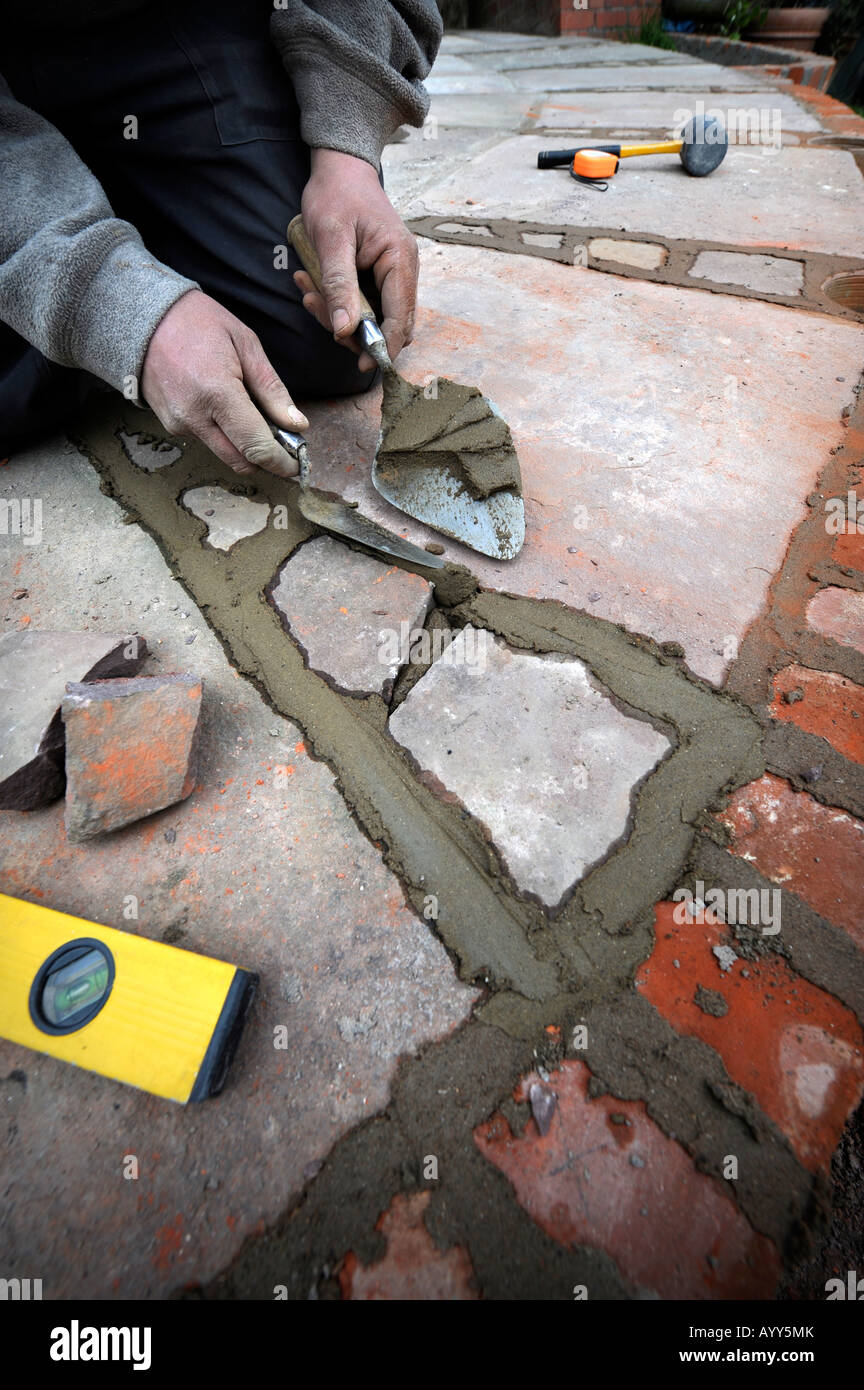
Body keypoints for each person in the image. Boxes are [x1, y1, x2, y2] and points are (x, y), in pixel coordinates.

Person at [0, 1, 443, 473]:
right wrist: (125, 311)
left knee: (326, 336)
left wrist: (346, 149)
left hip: (174, 27)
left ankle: (133, 218)